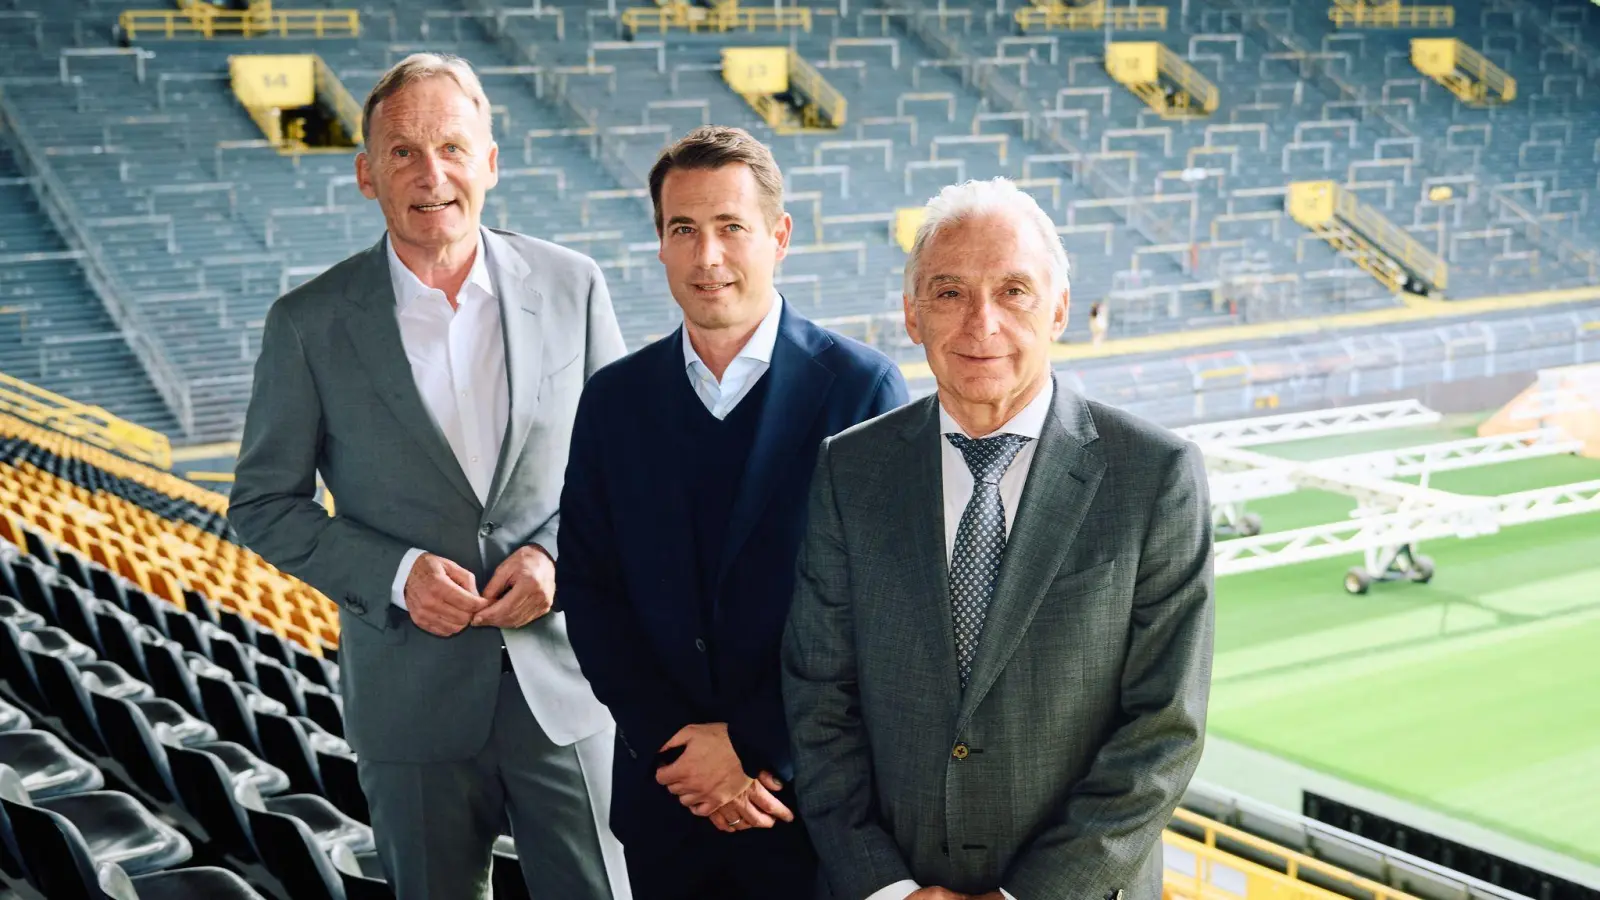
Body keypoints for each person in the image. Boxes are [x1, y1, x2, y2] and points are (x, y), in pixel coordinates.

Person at [228, 53, 630, 900]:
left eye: (452, 146)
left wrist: (556, 556)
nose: (431, 173)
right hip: (409, 701)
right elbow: (264, 504)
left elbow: (624, 472)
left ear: (491, 160)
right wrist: (399, 575)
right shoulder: (308, 324)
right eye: (403, 152)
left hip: (565, 685)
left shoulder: (573, 285)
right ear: (367, 175)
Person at [782, 177, 1214, 900]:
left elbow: (1165, 730)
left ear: (1060, 311)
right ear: (912, 316)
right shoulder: (849, 469)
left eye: (1013, 291)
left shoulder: (1154, 476)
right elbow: (818, 699)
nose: (981, 323)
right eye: (949, 293)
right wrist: (886, 886)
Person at [558, 125, 908, 900]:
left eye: (730, 228)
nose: (707, 256)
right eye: (683, 230)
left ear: (779, 237)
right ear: (659, 244)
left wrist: (755, 748)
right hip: (667, 804)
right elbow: (589, 589)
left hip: (810, 808)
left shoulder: (861, 391)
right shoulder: (614, 400)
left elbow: (878, 616)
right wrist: (678, 753)